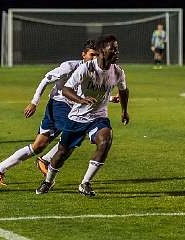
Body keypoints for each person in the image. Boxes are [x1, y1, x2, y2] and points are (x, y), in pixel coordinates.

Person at [0, 40, 98, 186]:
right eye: (92, 55)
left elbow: (86, 94)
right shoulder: (69, 67)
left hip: (71, 107)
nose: (95, 58)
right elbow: (45, 80)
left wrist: (110, 98)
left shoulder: (94, 72)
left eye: (97, 55)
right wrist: (34, 102)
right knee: (76, 133)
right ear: (83, 55)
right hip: (59, 104)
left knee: (38, 146)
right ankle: (45, 160)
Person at [35, 34, 129, 197]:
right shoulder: (86, 68)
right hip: (77, 117)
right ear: (101, 51)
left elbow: (123, 90)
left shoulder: (118, 71)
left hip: (99, 117)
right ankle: (48, 181)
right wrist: (81, 99)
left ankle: (85, 183)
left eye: (117, 48)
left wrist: (124, 110)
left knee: (105, 140)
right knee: (62, 153)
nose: (116, 52)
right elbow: (66, 89)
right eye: (112, 49)